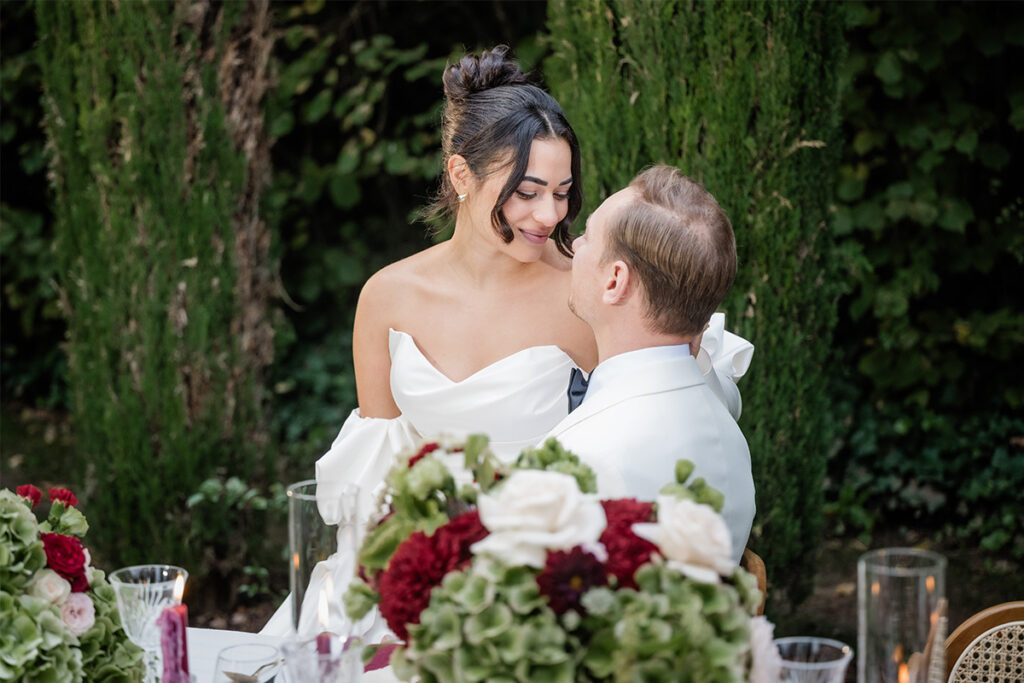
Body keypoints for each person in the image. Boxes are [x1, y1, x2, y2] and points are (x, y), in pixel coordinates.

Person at [544, 164, 756, 561]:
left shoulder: (579, 456)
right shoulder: (726, 425)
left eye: (588, 235)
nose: (575, 246)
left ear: (615, 281)